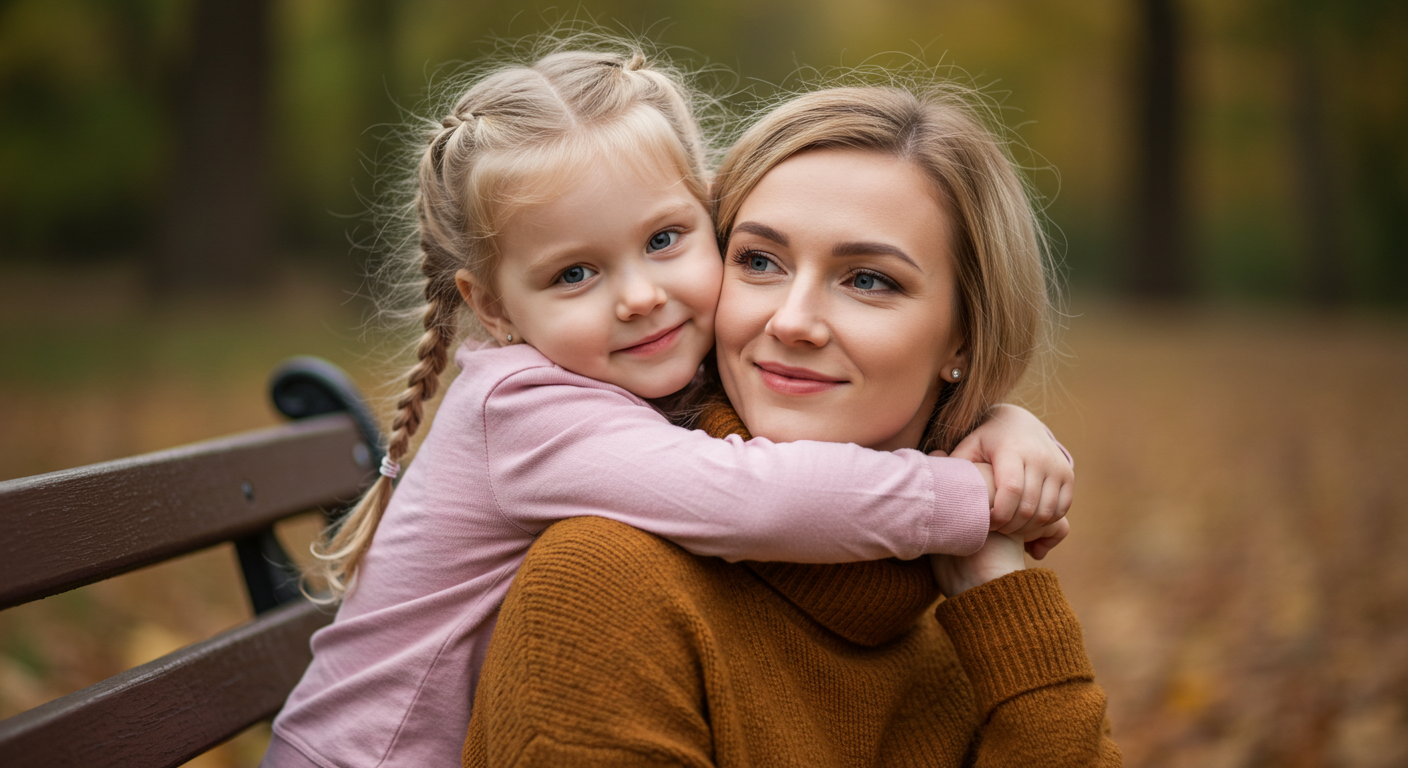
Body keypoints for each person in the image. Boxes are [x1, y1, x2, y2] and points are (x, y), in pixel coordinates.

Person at [262, 41, 1075, 768]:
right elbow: (750, 494)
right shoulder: (530, 413)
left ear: (704, 215)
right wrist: (974, 497)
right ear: (494, 307)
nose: (641, 298)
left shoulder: (635, 382)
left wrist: (993, 422)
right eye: (574, 274)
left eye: (663, 241)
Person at [463, 84, 1121, 766]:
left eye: (868, 280)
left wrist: (1003, 605)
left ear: (964, 338)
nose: (792, 321)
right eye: (758, 262)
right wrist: (970, 495)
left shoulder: (971, 625)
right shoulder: (605, 587)